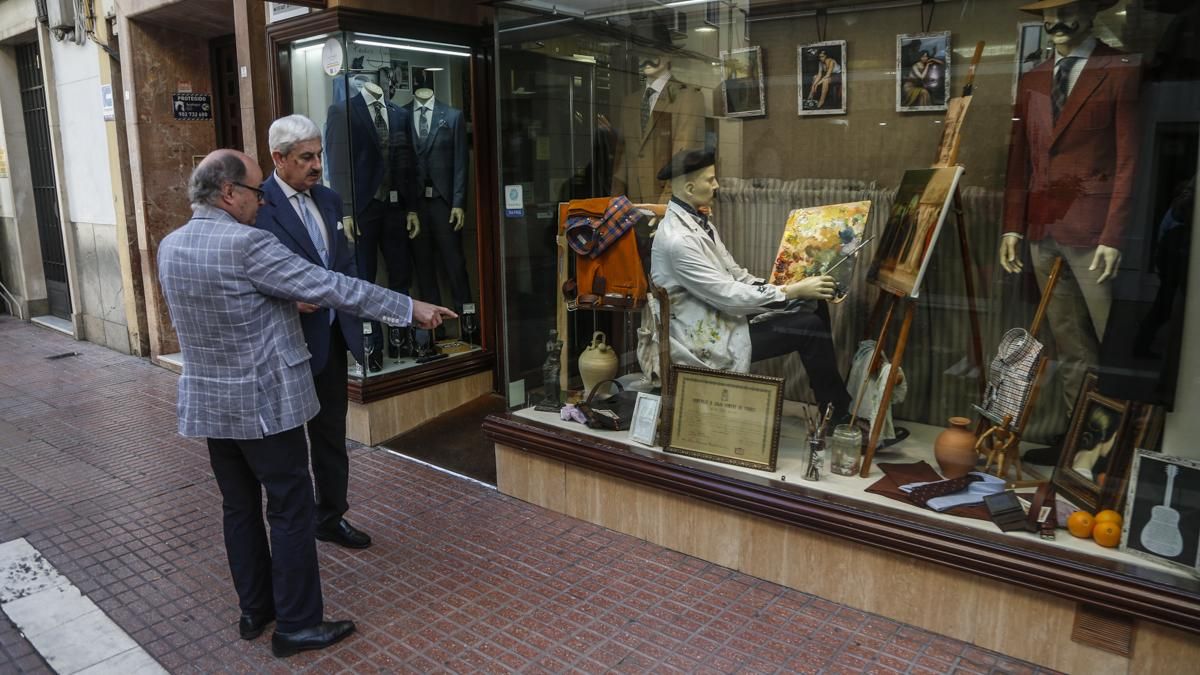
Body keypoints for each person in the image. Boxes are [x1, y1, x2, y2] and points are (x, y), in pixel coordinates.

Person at [157, 149, 455, 658]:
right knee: (291, 511)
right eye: (255, 192)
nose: (262, 200)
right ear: (228, 193)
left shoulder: (172, 245)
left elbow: (225, 305)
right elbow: (334, 286)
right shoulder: (248, 244)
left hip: (213, 406)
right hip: (266, 407)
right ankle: (297, 624)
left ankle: (256, 610)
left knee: (239, 507)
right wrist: (409, 307)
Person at [648, 149, 852, 418]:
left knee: (812, 305)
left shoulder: (697, 222)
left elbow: (734, 273)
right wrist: (790, 291)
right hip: (702, 339)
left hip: (723, 318)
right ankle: (837, 416)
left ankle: (830, 402)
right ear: (689, 187)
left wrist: (790, 285)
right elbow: (726, 295)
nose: (717, 186)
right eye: (710, 180)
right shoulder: (678, 240)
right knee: (809, 327)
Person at [254, 114, 373, 550]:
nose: (317, 164)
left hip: (331, 338)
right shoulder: (257, 206)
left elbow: (344, 264)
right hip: (283, 344)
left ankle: (331, 516)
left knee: (329, 436)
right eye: (306, 157)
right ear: (279, 158)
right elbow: (245, 275)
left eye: (319, 155)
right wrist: (285, 299)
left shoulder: (328, 199)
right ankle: (291, 525)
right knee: (286, 445)